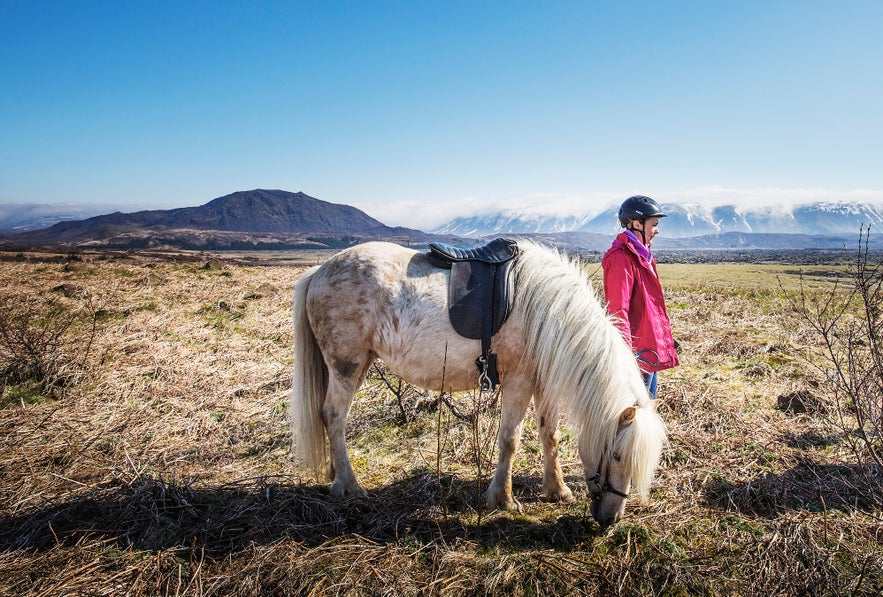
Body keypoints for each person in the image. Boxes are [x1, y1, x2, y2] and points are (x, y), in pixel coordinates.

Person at [602, 195, 679, 399]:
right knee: (636, 414)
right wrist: (626, 356)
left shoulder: (642, 256)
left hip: (649, 349)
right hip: (636, 354)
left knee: (649, 407)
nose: (657, 230)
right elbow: (618, 311)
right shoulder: (621, 259)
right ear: (637, 224)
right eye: (654, 224)